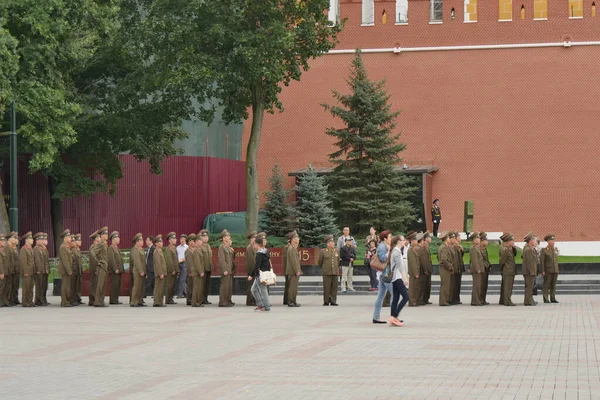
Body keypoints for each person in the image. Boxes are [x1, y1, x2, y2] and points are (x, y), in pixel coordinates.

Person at [372, 230, 393, 324]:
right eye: (389, 237)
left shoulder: (385, 246)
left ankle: (376, 317)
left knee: (380, 295)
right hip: (385, 274)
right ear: (385, 238)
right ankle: (394, 317)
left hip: (384, 273)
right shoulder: (382, 247)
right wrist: (389, 251)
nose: (391, 238)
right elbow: (383, 258)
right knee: (394, 294)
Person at [389, 235, 409, 326]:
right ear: (398, 241)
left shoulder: (396, 251)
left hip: (395, 277)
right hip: (397, 277)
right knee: (406, 297)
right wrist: (405, 278)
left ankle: (393, 317)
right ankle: (394, 316)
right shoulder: (396, 252)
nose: (404, 241)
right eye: (403, 239)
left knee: (396, 298)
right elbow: (400, 267)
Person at [250, 236, 272, 312]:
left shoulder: (259, 254)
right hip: (262, 274)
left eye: (255, 244)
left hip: (260, 275)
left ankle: (266, 307)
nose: (254, 246)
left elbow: (257, 265)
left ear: (258, 244)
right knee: (254, 289)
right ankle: (260, 304)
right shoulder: (266, 251)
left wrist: (251, 275)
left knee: (263, 290)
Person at [319, 235, 340, 306]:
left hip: (335, 272)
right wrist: (325, 268)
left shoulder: (336, 251)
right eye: (331, 242)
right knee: (326, 287)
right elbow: (320, 262)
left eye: (333, 242)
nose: (332, 243)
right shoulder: (323, 251)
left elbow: (338, 261)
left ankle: (333, 301)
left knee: (334, 287)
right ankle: (326, 301)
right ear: (327, 243)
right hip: (327, 272)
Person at [92, 227, 110, 308]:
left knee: (103, 285)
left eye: (107, 234)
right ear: (101, 235)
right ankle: (98, 301)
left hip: (105, 266)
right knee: (100, 285)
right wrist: (98, 261)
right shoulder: (100, 244)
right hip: (101, 266)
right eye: (105, 234)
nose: (107, 235)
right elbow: (92, 252)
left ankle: (101, 300)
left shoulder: (104, 244)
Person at [218, 229, 235, 307]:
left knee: (229, 287)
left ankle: (228, 300)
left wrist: (231, 249)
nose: (229, 237)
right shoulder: (222, 247)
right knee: (224, 286)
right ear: (224, 238)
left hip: (230, 270)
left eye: (229, 236)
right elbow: (222, 260)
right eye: (227, 236)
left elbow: (232, 259)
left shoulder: (228, 248)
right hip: (226, 270)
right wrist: (224, 269)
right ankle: (222, 301)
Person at [541, 234, 560, 303]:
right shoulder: (544, 250)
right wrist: (542, 270)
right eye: (551, 240)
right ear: (548, 241)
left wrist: (557, 269)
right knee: (546, 284)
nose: (553, 242)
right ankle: (545, 298)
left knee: (553, 285)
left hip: (555, 270)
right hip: (548, 270)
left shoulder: (555, 249)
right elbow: (542, 262)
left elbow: (556, 260)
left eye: (553, 240)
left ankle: (553, 297)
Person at [337, 227, 357, 292]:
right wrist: (349, 258)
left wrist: (353, 258)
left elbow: (354, 253)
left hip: (351, 263)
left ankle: (350, 286)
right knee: (344, 276)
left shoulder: (352, 246)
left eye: (348, 230)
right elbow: (340, 251)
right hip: (345, 262)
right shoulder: (341, 241)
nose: (346, 231)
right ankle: (343, 287)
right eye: (345, 230)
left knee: (350, 276)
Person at [57, 229, 74, 307]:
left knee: (67, 286)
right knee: (65, 286)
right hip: (65, 270)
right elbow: (65, 260)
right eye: (68, 237)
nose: (70, 238)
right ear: (65, 238)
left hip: (67, 269)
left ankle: (67, 300)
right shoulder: (63, 247)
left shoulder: (67, 247)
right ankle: (64, 301)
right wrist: (68, 270)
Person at [499, 233, 517, 306]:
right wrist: (503, 269)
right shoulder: (505, 250)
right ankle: (507, 301)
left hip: (510, 270)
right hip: (508, 270)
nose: (513, 242)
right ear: (507, 241)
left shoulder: (510, 248)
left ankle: (504, 300)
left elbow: (515, 254)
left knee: (507, 286)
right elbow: (502, 261)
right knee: (508, 287)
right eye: (512, 241)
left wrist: (514, 248)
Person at [130, 233, 147, 307]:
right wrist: (141, 271)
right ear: (137, 242)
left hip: (142, 271)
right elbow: (137, 262)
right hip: (138, 271)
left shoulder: (141, 249)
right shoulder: (135, 250)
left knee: (141, 287)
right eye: (141, 241)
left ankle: (139, 301)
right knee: (136, 286)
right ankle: (134, 302)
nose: (142, 242)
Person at [437, 231, 454, 306]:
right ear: (446, 239)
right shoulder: (444, 247)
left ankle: (445, 300)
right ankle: (443, 301)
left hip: (444, 268)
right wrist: (450, 267)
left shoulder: (444, 246)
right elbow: (444, 259)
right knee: (445, 285)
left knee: (446, 285)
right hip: (444, 268)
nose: (449, 239)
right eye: (448, 238)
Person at [286, 232, 302, 307]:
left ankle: (293, 301)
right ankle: (291, 301)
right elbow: (293, 261)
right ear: (293, 240)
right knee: (292, 288)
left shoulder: (293, 248)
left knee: (294, 287)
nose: (298, 239)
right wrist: (297, 271)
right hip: (293, 272)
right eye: (296, 238)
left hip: (293, 271)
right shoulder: (292, 249)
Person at [108, 231, 124, 305]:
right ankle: (113, 300)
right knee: (114, 285)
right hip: (115, 271)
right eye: (117, 238)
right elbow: (112, 259)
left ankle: (116, 299)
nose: (119, 239)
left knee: (117, 285)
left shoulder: (116, 248)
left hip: (119, 270)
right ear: (113, 239)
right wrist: (115, 269)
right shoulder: (111, 248)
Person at [522, 232, 538, 306]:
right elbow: (529, 262)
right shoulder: (528, 250)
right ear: (531, 241)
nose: (535, 242)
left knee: (530, 287)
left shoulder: (531, 249)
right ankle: (527, 301)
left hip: (530, 271)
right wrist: (532, 271)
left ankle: (530, 300)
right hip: (529, 272)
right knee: (529, 287)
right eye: (534, 240)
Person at [19, 232, 35, 307]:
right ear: (26, 240)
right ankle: (25, 302)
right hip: (27, 272)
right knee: (26, 287)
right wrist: (25, 271)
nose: (32, 240)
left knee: (30, 287)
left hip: (31, 271)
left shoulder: (30, 249)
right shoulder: (23, 249)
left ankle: (30, 301)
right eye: (30, 239)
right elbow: (23, 261)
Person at [191, 234, 206, 308]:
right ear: (196, 242)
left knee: (199, 287)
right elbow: (197, 263)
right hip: (197, 272)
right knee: (196, 288)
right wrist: (201, 271)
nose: (201, 241)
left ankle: (198, 301)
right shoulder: (196, 251)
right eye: (200, 240)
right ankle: (195, 302)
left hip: (199, 272)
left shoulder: (199, 250)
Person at [469, 232, 484, 306]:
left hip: (479, 270)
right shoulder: (473, 248)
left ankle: (476, 300)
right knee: (476, 286)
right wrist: (478, 269)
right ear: (474, 240)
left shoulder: (477, 248)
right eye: (477, 238)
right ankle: (475, 301)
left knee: (478, 286)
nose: (479, 240)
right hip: (476, 270)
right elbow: (475, 260)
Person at [198, 230, 213, 305]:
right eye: (204, 237)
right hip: (203, 268)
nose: (206, 238)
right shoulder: (200, 247)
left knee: (207, 285)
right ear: (201, 238)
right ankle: (200, 299)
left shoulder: (208, 246)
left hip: (208, 268)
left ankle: (205, 299)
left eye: (207, 236)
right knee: (201, 285)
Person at [418, 231, 433, 305]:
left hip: (428, 268)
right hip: (425, 269)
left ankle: (426, 299)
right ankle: (422, 300)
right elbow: (423, 259)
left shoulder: (426, 247)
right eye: (429, 237)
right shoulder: (423, 247)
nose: (430, 239)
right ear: (426, 238)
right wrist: (425, 269)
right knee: (424, 285)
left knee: (428, 285)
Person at [164, 232, 179, 305]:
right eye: (174, 238)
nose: (175, 240)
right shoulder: (168, 249)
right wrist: (172, 269)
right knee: (169, 285)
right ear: (170, 240)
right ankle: (168, 299)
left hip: (175, 270)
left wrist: (177, 269)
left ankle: (171, 298)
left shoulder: (174, 248)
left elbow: (176, 260)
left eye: (175, 238)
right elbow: (169, 261)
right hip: (171, 270)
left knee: (173, 285)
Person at [406, 231, 421, 307]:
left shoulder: (413, 249)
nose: (416, 241)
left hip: (415, 271)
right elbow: (412, 263)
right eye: (415, 240)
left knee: (415, 286)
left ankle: (414, 300)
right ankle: (412, 301)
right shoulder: (410, 250)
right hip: (413, 272)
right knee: (412, 287)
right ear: (411, 241)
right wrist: (415, 273)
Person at [152, 235, 167, 307]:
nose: (161, 243)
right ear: (156, 243)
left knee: (161, 288)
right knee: (158, 288)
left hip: (162, 273)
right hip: (159, 273)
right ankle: (157, 302)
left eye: (161, 241)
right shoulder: (156, 252)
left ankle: (160, 301)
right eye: (159, 242)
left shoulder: (160, 251)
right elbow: (157, 264)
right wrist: (160, 273)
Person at [33, 232, 46, 306]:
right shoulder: (36, 249)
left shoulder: (41, 249)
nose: (42, 241)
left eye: (42, 239)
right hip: (38, 271)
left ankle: (41, 300)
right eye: (40, 240)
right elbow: (37, 261)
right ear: (37, 241)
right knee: (39, 286)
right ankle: (39, 301)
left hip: (42, 270)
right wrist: (38, 269)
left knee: (41, 286)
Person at [282, 231, 295, 305]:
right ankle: (287, 300)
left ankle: (287, 299)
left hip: (288, 269)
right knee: (289, 285)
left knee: (289, 285)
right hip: (288, 269)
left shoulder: (289, 247)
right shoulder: (287, 248)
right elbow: (287, 260)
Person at [88, 231, 100, 306]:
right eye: (99, 237)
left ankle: (93, 299)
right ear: (96, 239)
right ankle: (93, 299)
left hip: (96, 268)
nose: (100, 238)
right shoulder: (93, 247)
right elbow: (93, 259)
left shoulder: (96, 247)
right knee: (94, 284)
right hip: (94, 268)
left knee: (95, 284)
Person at [70, 234, 83, 305]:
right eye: (78, 240)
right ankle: (73, 299)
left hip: (78, 271)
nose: (80, 242)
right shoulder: (72, 250)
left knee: (78, 285)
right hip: (74, 271)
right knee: (73, 286)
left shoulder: (78, 250)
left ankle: (77, 298)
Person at [452, 233, 465, 305]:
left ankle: (457, 299)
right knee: (455, 284)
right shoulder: (454, 246)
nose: (460, 238)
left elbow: (460, 257)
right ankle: (454, 299)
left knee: (458, 284)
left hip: (459, 267)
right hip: (456, 268)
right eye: (459, 236)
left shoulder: (459, 246)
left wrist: (462, 250)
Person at [7, 232, 20, 306]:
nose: (16, 240)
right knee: (10, 286)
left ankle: (15, 299)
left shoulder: (15, 248)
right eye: (14, 238)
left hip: (16, 270)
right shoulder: (9, 248)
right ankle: (10, 300)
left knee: (15, 285)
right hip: (11, 270)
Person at [245, 231, 257, 306]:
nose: (255, 239)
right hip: (251, 270)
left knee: (254, 286)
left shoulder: (254, 247)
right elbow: (251, 260)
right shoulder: (249, 248)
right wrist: (253, 271)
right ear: (251, 239)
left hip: (254, 270)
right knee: (251, 286)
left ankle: (253, 300)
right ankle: (250, 301)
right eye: (254, 237)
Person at [176, 234, 188, 298]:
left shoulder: (187, 247)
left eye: (183, 239)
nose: (182, 240)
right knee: (180, 279)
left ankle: (179, 294)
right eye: (181, 239)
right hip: (178, 264)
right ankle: (186, 293)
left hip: (184, 264)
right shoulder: (177, 247)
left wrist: (181, 260)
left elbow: (187, 257)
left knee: (182, 279)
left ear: (186, 240)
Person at [185, 234, 197, 306]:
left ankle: (192, 298)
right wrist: (190, 271)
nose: (193, 242)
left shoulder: (194, 250)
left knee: (193, 285)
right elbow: (189, 263)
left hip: (194, 271)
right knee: (190, 286)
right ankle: (189, 299)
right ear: (189, 242)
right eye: (192, 241)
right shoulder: (188, 251)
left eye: (194, 241)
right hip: (191, 271)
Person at [479, 232, 490, 305]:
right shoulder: (479, 249)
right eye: (486, 240)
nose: (487, 241)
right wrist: (486, 265)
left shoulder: (484, 249)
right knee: (481, 285)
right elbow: (480, 260)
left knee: (484, 285)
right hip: (482, 269)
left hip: (486, 269)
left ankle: (483, 299)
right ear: (482, 240)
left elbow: (486, 259)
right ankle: (480, 299)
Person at [0, 234, 7, 307]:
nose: (4, 242)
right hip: (1, 272)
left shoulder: (3, 250)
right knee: (1, 287)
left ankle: (2, 301)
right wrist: (1, 272)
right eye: (2, 241)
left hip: (5, 272)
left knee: (3, 287)